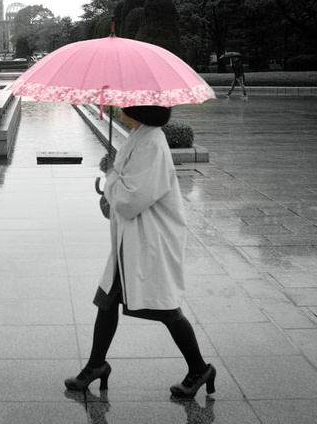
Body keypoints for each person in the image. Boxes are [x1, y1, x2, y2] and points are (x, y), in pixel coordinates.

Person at [64, 105, 215, 399]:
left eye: (125, 102)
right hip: (130, 239)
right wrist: (113, 170)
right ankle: (96, 365)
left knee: (167, 308)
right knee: (106, 301)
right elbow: (127, 185)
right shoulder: (141, 136)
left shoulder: (151, 143)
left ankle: (200, 369)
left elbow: (133, 198)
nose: (119, 106)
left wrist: (110, 173)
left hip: (148, 240)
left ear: (138, 108)